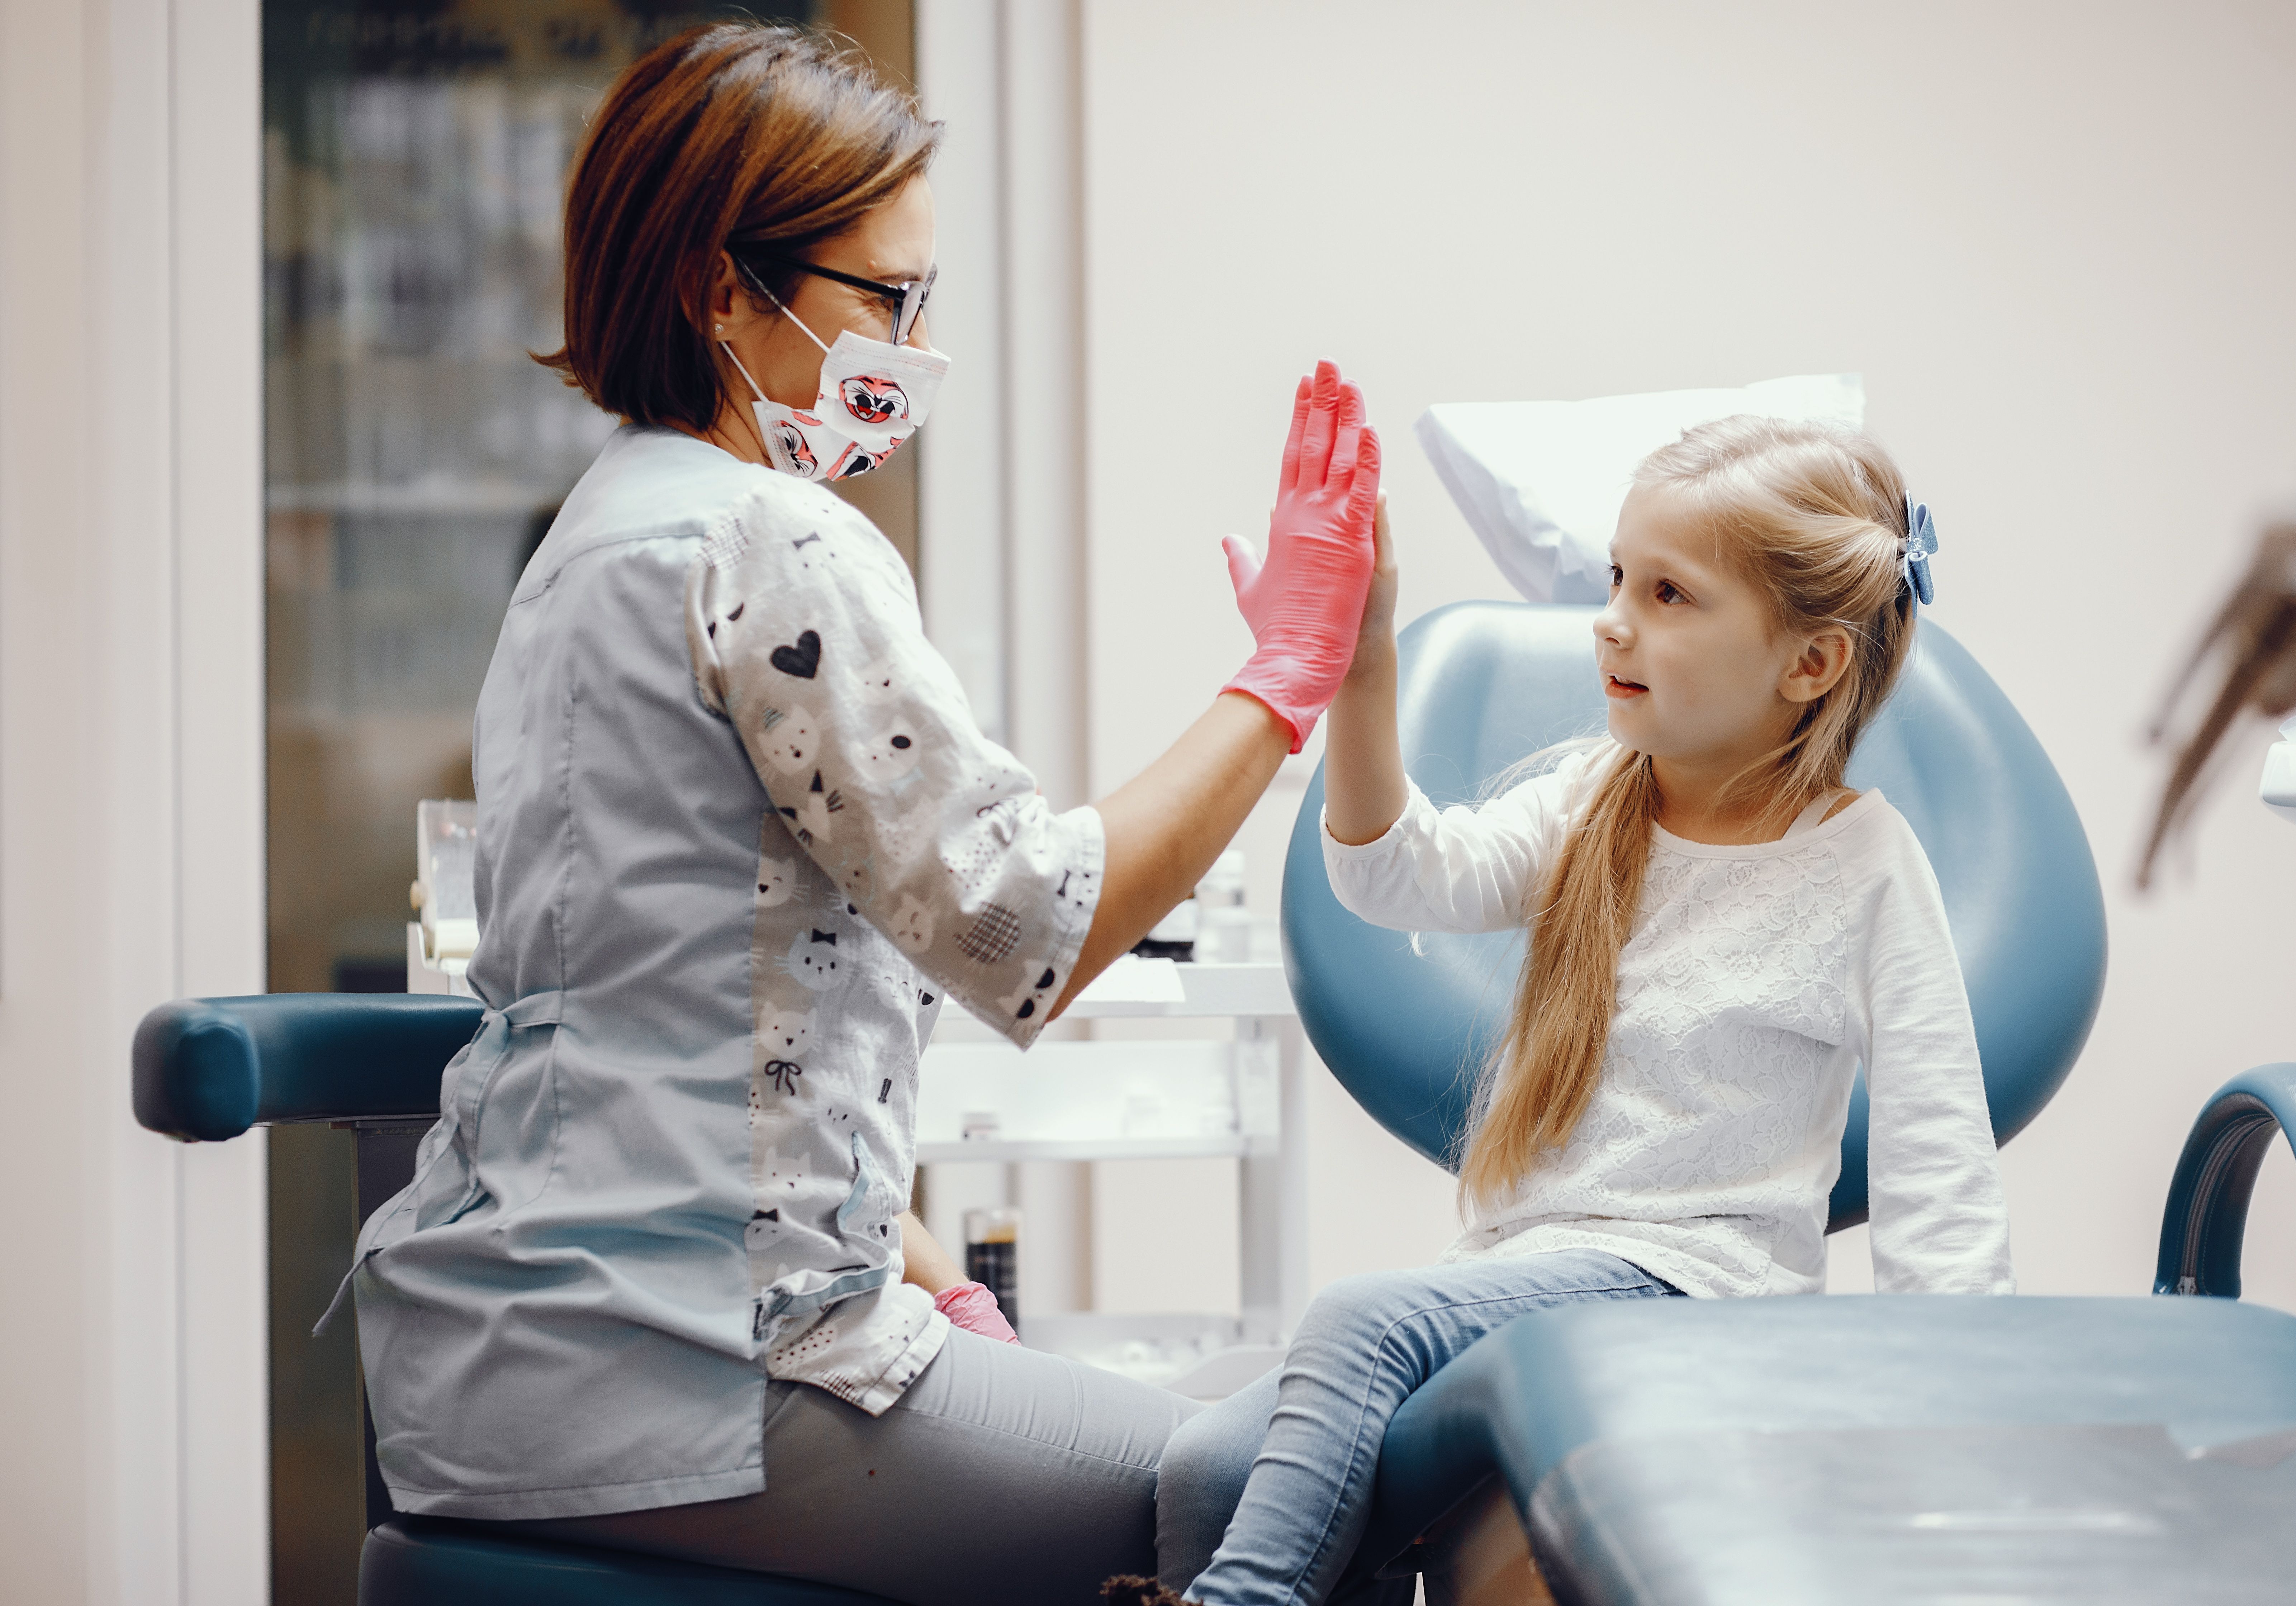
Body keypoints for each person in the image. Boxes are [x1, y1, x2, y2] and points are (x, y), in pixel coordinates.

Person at [327, 24, 1380, 1606]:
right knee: (1292, 1488)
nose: (913, 345)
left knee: (1221, 1420)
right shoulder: (773, 542)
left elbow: (707, 1024)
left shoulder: (593, 542)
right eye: (885, 299)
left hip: (503, 1359)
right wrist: (1285, 677)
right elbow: (1024, 926)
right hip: (696, 1380)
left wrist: (934, 1283)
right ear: (722, 288)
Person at [1142, 417, 2012, 1606]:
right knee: (1205, 1468)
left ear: (1809, 663)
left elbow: (1939, 1166)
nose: (1612, 621)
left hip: (1699, 1295)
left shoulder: (1863, 863)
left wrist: (1959, 1429)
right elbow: (1393, 875)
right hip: (1528, 1275)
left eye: (1668, 594)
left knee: (1360, 1321)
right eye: (1616, 578)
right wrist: (1363, 660)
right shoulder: (1592, 799)